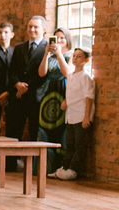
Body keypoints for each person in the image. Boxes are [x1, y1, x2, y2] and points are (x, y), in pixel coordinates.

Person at [6, 16, 48, 171]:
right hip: (18, 96)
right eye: (30, 27)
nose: (32, 30)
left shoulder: (47, 48)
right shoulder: (19, 48)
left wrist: (27, 87)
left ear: (44, 29)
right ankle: (10, 164)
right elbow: (13, 71)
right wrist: (17, 84)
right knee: (13, 130)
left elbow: (43, 74)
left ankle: (34, 167)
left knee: (34, 131)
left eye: (36, 27)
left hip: (37, 96)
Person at [37, 27, 73, 174]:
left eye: (62, 38)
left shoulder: (71, 55)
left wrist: (58, 54)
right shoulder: (50, 56)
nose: (59, 41)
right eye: (56, 38)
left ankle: (59, 167)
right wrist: (46, 54)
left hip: (63, 92)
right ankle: (45, 167)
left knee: (61, 128)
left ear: (67, 40)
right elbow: (41, 73)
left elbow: (67, 73)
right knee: (45, 127)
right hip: (48, 95)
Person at [55, 48, 94, 180]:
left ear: (86, 60)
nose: (76, 59)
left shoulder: (86, 77)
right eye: (74, 56)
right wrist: (65, 102)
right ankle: (65, 167)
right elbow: (72, 93)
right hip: (70, 115)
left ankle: (73, 169)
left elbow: (89, 97)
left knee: (80, 145)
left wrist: (86, 116)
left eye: (79, 56)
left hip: (81, 115)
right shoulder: (71, 76)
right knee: (69, 144)